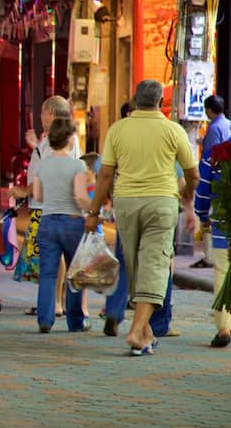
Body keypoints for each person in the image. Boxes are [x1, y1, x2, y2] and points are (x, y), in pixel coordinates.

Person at [85, 79, 199, 356]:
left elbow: (105, 175)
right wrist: (187, 196)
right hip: (161, 203)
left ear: (134, 101)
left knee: (134, 264)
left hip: (126, 204)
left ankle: (144, 331)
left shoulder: (118, 130)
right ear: (161, 102)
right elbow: (193, 173)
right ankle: (137, 332)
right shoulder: (173, 130)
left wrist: (93, 211)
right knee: (156, 265)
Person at [11, 96, 81, 318]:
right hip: (58, 209)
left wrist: (26, 191)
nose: (40, 117)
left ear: (50, 112)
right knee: (60, 262)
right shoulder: (62, 140)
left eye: (42, 112)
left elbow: (47, 175)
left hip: (50, 210)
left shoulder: (57, 139)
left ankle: (54, 310)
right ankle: (62, 311)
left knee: (56, 264)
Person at [31, 118, 92, 333]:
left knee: (48, 273)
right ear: (69, 138)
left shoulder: (42, 164)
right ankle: (75, 322)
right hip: (72, 222)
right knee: (74, 273)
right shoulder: (77, 164)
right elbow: (80, 196)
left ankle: (45, 320)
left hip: (47, 221)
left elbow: (37, 195)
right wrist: (94, 209)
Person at [195, 110, 231, 347]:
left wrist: (202, 215)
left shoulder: (215, 155)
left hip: (225, 221)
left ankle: (225, 327)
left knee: (223, 272)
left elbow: (203, 188)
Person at [191, 95, 231, 269]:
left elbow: (210, 157)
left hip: (216, 179)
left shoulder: (214, 128)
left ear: (209, 110)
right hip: (229, 178)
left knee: (212, 219)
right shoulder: (229, 124)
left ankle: (211, 257)